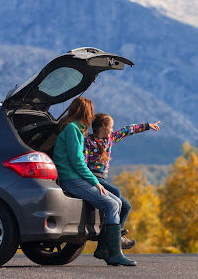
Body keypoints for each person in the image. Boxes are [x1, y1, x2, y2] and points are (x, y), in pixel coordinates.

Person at [53, 97, 136, 266]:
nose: (92, 116)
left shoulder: (75, 129)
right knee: (112, 205)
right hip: (71, 179)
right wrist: (95, 182)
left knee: (118, 203)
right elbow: (77, 162)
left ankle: (105, 249)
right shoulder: (72, 130)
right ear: (85, 112)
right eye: (90, 112)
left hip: (76, 177)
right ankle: (114, 253)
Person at [84, 113, 161, 249]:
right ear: (102, 127)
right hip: (93, 179)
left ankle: (116, 233)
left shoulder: (110, 139)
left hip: (103, 179)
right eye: (111, 127)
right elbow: (82, 164)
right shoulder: (88, 142)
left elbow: (127, 130)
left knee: (127, 206)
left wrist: (147, 126)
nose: (113, 130)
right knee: (117, 193)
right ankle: (113, 237)